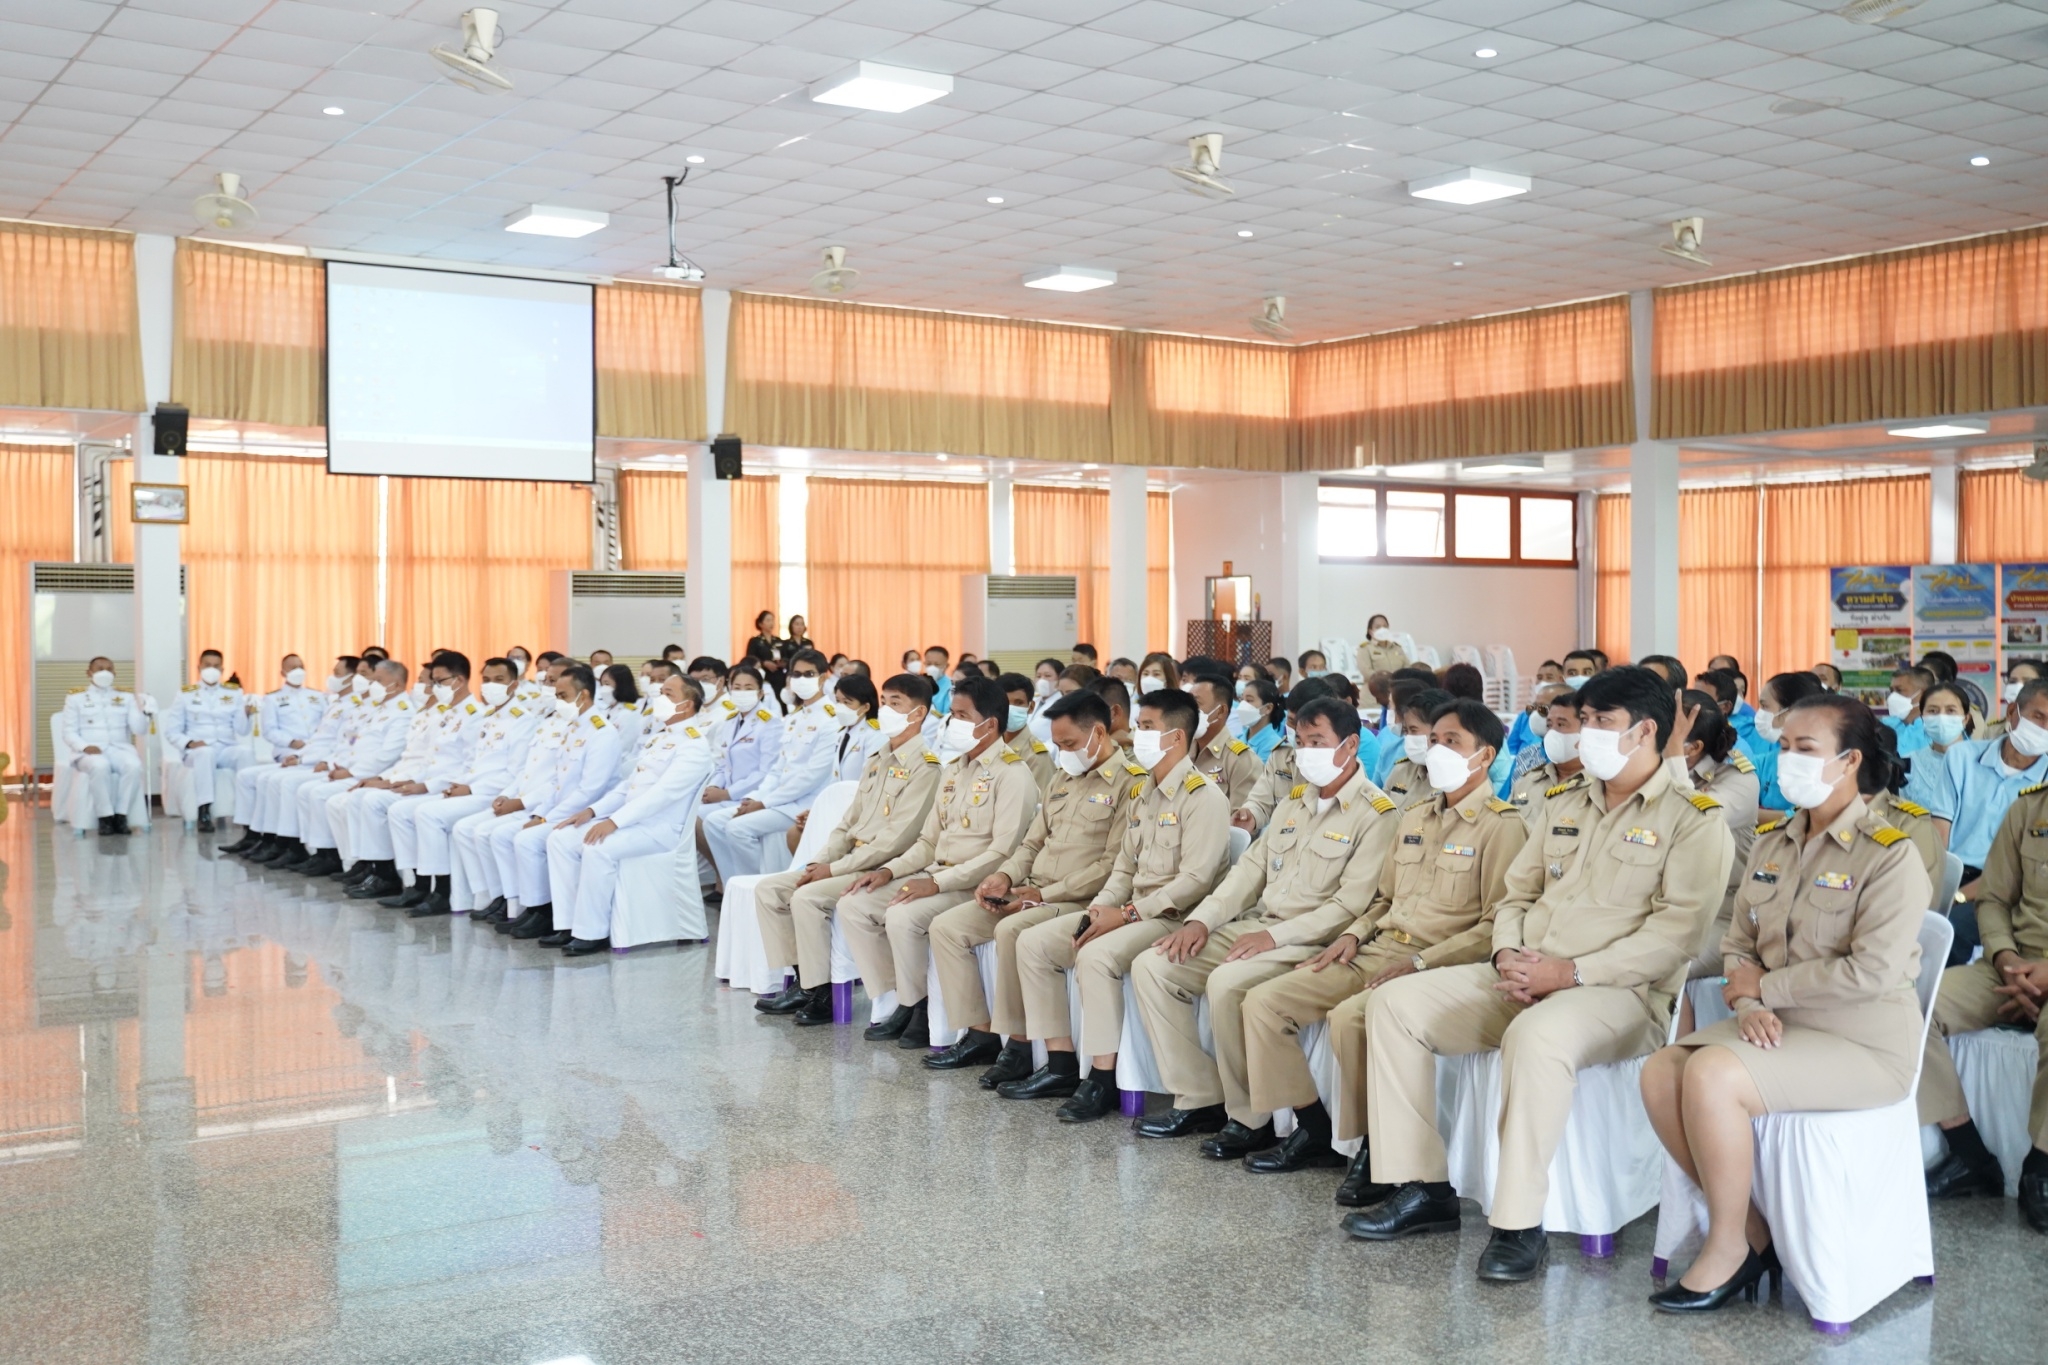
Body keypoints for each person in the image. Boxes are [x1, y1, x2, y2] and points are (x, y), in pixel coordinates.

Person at [1347, 667, 1733, 1283]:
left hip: (1619, 995)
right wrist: (1506, 955)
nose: (1586, 736)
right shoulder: (1563, 803)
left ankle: (1518, 1224)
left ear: (1645, 731)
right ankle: (1422, 1186)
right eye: (1585, 723)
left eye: (1602, 724)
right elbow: (1515, 895)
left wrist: (1570, 973)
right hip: (1523, 970)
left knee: (1537, 1037)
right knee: (1394, 1004)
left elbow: (1675, 938)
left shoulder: (1694, 818)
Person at [1640, 693, 1928, 1311]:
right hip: (1774, 1028)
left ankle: (1723, 1250)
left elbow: (1872, 972)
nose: (1787, 759)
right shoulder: (1773, 842)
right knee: (1662, 1070)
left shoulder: (1889, 854)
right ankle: (1748, 1228)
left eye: (1805, 749)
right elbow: (1742, 941)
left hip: (1863, 1042)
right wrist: (1747, 1005)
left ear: (1849, 761)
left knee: (1712, 1072)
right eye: (1783, 746)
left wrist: (1764, 990)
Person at [1242, 698, 1525, 1189]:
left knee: (1351, 1017)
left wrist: (1420, 961)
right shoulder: (1414, 817)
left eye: (1451, 742)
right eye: (1433, 741)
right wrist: (1353, 934)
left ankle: (1374, 1149)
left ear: (1485, 754)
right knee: (1264, 1002)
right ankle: (1313, 1129)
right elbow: (1383, 899)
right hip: (1376, 948)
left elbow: (1493, 925)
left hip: (1436, 964)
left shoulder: (1503, 825)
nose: (1435, 750)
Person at [1128, 695, 1404, 1158]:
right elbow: (1246, 874)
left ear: (1351, 745)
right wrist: (1201, 921)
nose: (1304, 752)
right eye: (1299, 741)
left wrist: (1271, 938)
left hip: (1307, 939)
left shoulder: (1377, 814)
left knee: (1229, 982)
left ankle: (1248, 1117)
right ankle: (1200, 1096)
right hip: (1257, 925)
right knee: (1155, 965)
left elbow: (1347, 906)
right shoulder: (1294, 803)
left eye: (1318, 741)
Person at [1002, 688, 1230, 1122]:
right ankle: (1062, 1065)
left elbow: (1195, 881)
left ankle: (1101, 1080)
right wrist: (1097, 911)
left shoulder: (1204, 797)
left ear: (1176, 738)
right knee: (1034, 943)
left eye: (1146, 728)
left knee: (1096, 955)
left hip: (1173, 918)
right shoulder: (1146, 792)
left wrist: (1124, 915)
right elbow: (1124, 868)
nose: (1136, 735)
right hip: (1131, 910)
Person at [924, 691, 1140, 1078]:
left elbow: (1111, 865)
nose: (1063, 754)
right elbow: (1031, 843)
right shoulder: (1063, 776)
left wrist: (1042, 895)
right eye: (1057, 745)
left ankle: (1026, 1048)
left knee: (1012, 930)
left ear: (1100, 734)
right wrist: (1003, 876)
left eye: (1070, 744)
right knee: (947, 927)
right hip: (1031, 889)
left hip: (1077, 899)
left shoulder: (1130, 784)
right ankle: (980, 1033)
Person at [834, 675, 1041, 1048]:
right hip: (935, 874)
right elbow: (929, 841)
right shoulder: (953, 769)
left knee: (903, 915)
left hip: (971, 884)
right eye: (952, 714)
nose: (951, 723)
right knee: (854, 904)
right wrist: (888, 870)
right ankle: (904, 997)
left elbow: (1002, 852)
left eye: (961, 716)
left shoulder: (1013, 774)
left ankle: (921, 1008)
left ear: (989, 724)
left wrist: (937, 884)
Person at [753, 673, 943, 1023]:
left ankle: (819, 993)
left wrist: (833, 870)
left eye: (895, 703)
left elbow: (897, 840)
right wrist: (818, 862)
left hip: (878, 866)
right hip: (847, 860)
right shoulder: (878, 757)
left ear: (918, 714)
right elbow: (846, 824)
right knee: (770, 890)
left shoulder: (926, 768)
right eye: (884, 701)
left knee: (807, 898)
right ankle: (802, 981)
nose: (885, 709)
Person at [1919, 776, 2048, 1228]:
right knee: (1913, 1005)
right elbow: (1992, 899)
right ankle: (1969, 1155)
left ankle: (2042, 1165)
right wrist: (2007, 958)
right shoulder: (2029, 811)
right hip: (2010, 966)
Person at [541, 674, 714, 954]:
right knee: (560, 839)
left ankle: (592, 932)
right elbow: (627, 787)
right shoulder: (661, 738)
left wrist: (613, 822)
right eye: (659, 692)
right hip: (633, 824)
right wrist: (591, 811)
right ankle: (568, 924)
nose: (659, 699)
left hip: (660, 830)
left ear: (687, 704)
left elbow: (662, 796)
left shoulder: (694, 746)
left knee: (597, 848)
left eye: (667, 694)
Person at [385, 657, 542, 917]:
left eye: (499, 680)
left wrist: (470, 789)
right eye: (488, 680)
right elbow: (474, 764)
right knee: (408, 811)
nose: (491, 685)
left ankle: (442, 892)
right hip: (475, 787)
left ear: (514, 685)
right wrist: (461, 784)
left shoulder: (520, 719)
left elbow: (514, 772)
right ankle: (426, 886)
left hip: (494, 793)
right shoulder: (490, 716)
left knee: (428, 813)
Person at [338, 652, 490, 902]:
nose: (433, 687)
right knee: (379, 802)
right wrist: (404, 781)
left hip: (448, 786)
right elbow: (427, 759)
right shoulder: (447, 713)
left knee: (399, 809)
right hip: (428, 782)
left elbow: (468, 766)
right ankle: (406, 881)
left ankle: (433, 890)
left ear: (459, 680)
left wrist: (426, 785)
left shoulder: (475, 715)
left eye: (439, 681)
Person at [1925, 680, 2048, 960]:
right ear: (2013, 712)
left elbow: (2016, 872)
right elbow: (1938, 836)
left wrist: (1956, 900)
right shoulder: (1962, 758)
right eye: (2037, 716)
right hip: (1952, 874)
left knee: (1951, 930)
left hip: (2009, 886)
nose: (2044, 729)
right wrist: (1935, 891)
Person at [503, 664, 627, 940]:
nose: (557, 700)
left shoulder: (601, 732)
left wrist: (548, 819)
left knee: (534, 840)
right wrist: (541, 813)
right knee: (523, 837)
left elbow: (590, 791)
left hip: (588, 813)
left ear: (583, 696)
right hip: (565, 810)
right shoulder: (573, 728)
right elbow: (556, 782)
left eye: (563, 695)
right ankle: (539, 909)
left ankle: (557, 916)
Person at [700, 649, 841, 882]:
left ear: (823, 678)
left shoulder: (830, 718)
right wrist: (754, 798)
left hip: (804, 804)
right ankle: (733, 886)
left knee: (738, 829)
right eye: (797, 674)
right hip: (779, 799)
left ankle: (758, 885)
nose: (802, 680)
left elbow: (811, 776)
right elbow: (777, 770)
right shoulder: (795, 717)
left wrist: (765, 802)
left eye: (809, 674)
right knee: (714, 822)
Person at [282, 660, 416, 877]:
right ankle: (341, 858)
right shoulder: (377, 708)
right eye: (372, 680)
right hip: (354, 769)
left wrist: (352, 772)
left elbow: (385, 756)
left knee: (325, 795)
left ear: (398, 685)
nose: (373, 684)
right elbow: (352, 742)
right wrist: (339, 763)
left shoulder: (402, 712)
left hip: (372, 774)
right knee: (317, 793)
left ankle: (358, 863)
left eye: (378, 681)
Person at [1671, 693, 1762, 1014]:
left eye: (1667, 735)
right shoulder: (1660, 767)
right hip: (1664, 905)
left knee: (1662, 965)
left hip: (1720, 914)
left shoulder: (1738, 778)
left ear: (1693, 748)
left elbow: (1691, 820)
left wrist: (1669, 761)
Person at [222, 654, 335, 853]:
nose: (297, 671)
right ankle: (251, 834)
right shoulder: (272, 698)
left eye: (300, 666)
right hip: (288, 752)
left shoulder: (318, 697)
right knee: (248, 778)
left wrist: (313, 746)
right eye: (292, 668)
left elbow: (328, 728)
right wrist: (292, 742)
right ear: (282, 673)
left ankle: (279, 842)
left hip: (317, 752)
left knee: (274, 782)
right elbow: (270, 731)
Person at [162, 647, 251, 833]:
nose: (212, 669)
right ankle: (204, 810)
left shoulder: (234, 693)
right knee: (206, 752)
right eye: (208, 665)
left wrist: (247, 713)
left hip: (226, 747)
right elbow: (172, 731)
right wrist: (189, 743)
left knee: (245, 753)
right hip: (197, 751)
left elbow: (242, 730)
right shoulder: (185, 694)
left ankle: (248, 813)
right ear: (199, 667)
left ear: (222, 670)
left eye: (216, 666)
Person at [60, 657, 148, 835]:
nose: (105, 672)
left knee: (134, 765)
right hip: (88, 752)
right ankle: (105, 818)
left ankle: (121, 815)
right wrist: (84, 747)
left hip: (118, 748)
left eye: (109, 669)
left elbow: (138, 729)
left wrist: (146, 712)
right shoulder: (75, 698)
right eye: (100, 669)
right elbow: (68, 732)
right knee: (100, 766)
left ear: (114, 673)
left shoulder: (126, 696)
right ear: (89, 673)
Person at [1751, 671, 1828, 815]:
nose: (1760, 713)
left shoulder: (1829, 763)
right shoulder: (1764, 763)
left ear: (1792, 711)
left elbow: (1817, 817)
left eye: (1765, 706)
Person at [1186, 673, 1263, 807]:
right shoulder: (1182, 750)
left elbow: (1239, 821)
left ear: (1221, 711)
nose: (1188, 710)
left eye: (1196, 704)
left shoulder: (1241, 760)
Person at [1903, 680, 1972, 814]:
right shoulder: (1907, 763)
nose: (1941, 717)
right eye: (1933, 711)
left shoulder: (1983, 762)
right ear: (1922, 717)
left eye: (1950, 711)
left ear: (1965, 719)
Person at [1379, 686, 1452, 807]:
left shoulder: (1456, 777)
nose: (1408, 737)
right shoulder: (1401, 770)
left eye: (1413, 730)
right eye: (1406, 731)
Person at [1509, 683, 1576, 796]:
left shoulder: (1578, 762)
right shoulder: (1526, 755)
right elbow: (1504, 799)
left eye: (1543, 709)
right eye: (1533, 708)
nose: (1535, 715)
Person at [995, 672, 1054, 793]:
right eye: (1005, 702)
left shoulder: (1036, 757)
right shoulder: (985, 745)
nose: (1010, 709)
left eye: (1018, 703)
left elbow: (1039, 805)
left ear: (1031, 707)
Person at [1235, 678, 1285, 762]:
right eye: (1242, 699)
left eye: (1249, 700)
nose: (1242, 705)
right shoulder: (1238, 738)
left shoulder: (1274, 746)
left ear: (1268, 708)